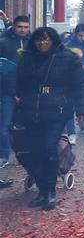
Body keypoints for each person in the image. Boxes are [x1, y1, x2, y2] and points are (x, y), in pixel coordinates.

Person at [13, 27, 84, 209]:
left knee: (49, 148)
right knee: (35, 151)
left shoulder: (68, 58)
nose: (42, 43)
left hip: (57, 110)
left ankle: (50, 191)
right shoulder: (27, 58)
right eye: (39, 40)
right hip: (31, 111)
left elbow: (80, 85)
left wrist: (82, 110)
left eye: (46, 39)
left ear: (53, 40)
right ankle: (42, 190)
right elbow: (19, 84)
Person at [0, 14, 30, 172]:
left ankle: (26, 153)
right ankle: (3, 155)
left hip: (28, 91)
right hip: (8, 90)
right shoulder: (3, 43)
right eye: (20, 27)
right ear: (14, 27)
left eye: (26, 27)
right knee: (4, 124)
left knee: (28, 124)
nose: (23, 30)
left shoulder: (34, 43)